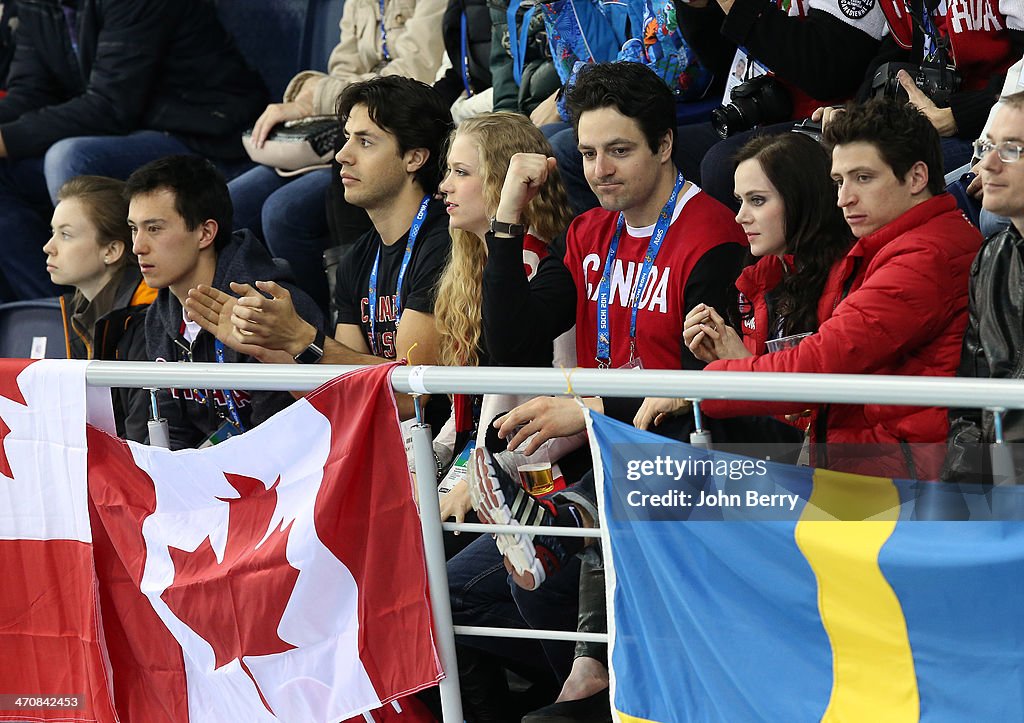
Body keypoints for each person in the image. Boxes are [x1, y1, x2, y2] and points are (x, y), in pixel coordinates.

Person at [466, 61, 747, 722]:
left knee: (550, 590)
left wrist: (589, 409)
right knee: (450, 598)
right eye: (588, 153)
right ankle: (593, 677)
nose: (599, 170)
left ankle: (604, 682)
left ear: (665, 145)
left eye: (619, 151)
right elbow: (514, 341)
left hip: (667, 463)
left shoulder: (713, 237)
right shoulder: (589, 232)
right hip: (591, 458)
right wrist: (508, 217)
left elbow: (698, 382)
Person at [698, 98, 982, 479]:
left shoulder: (925, 256)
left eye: (863, 178)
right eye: (838, 181)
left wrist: (699, 389)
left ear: (916, 178)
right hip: (875, 462)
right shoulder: (897, 244)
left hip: (904, 484)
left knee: (689, 430)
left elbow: (821, 364)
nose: (844, 198)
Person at [186, 76, 454, 428]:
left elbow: (410, 397)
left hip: (448, 451)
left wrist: (301, 336)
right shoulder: (358, 258)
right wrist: (267, 346)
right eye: (347, 139)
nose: (343, 155)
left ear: (415, 158)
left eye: (365, 142)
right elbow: (337, 393)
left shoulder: (445, 242)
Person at [433, 112, 581, 719]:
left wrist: (467, 474)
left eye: (461, 173)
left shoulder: (536, 266)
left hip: (543, 475)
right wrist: (443, 458)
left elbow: (528, 400)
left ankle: (574, 685)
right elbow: (467, 410)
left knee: (441, 597)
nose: (444, 186)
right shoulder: (472, 263)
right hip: (498, 470)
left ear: (503, 189)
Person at [0, 0, 267, 301]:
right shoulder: (35, 4)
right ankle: (48, 311)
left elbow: (110, 106)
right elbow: (29, 92)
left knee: (71, 158)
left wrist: (6, 140)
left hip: (202, 132)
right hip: (128, 130)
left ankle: (127, 311)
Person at [231, 0, 447, 311]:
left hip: (403, 120)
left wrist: (317, 94)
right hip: (346, 122)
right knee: (233, 201)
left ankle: (313, 318)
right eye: (350, 143)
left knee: (283, 212)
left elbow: (417, 72)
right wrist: (344, 108)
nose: (345, 155)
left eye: (357, 144)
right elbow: (344, 70)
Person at [638, 132, 853, 430]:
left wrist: (702, 387)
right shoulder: (757, 281)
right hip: (786, 455)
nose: (740, 217)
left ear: (801, 198)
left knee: (688, 422)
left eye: (757, 200)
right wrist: (723, 356)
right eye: (740, 201)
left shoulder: (849, 281)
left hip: (834, 462)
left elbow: (810, 413)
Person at [126, 155, 324, 450]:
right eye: (134, 228)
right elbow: (172, 432)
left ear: (205, 233)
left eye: (154, 229)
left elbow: (284, 437)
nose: (137, 246)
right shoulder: (160, 315)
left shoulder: (267, 306)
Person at [944, 92, 1024, 483]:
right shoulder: (992, 258)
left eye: (1011, 150)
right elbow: (969, 410)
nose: (985, 165)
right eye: (986, 146)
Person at [46, 176, 154, 443]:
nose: (49, 247)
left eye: (66, 235)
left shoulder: (144, 317)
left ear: (112, 250)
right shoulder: (82, 312)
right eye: (53, 232)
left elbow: (141, 444)